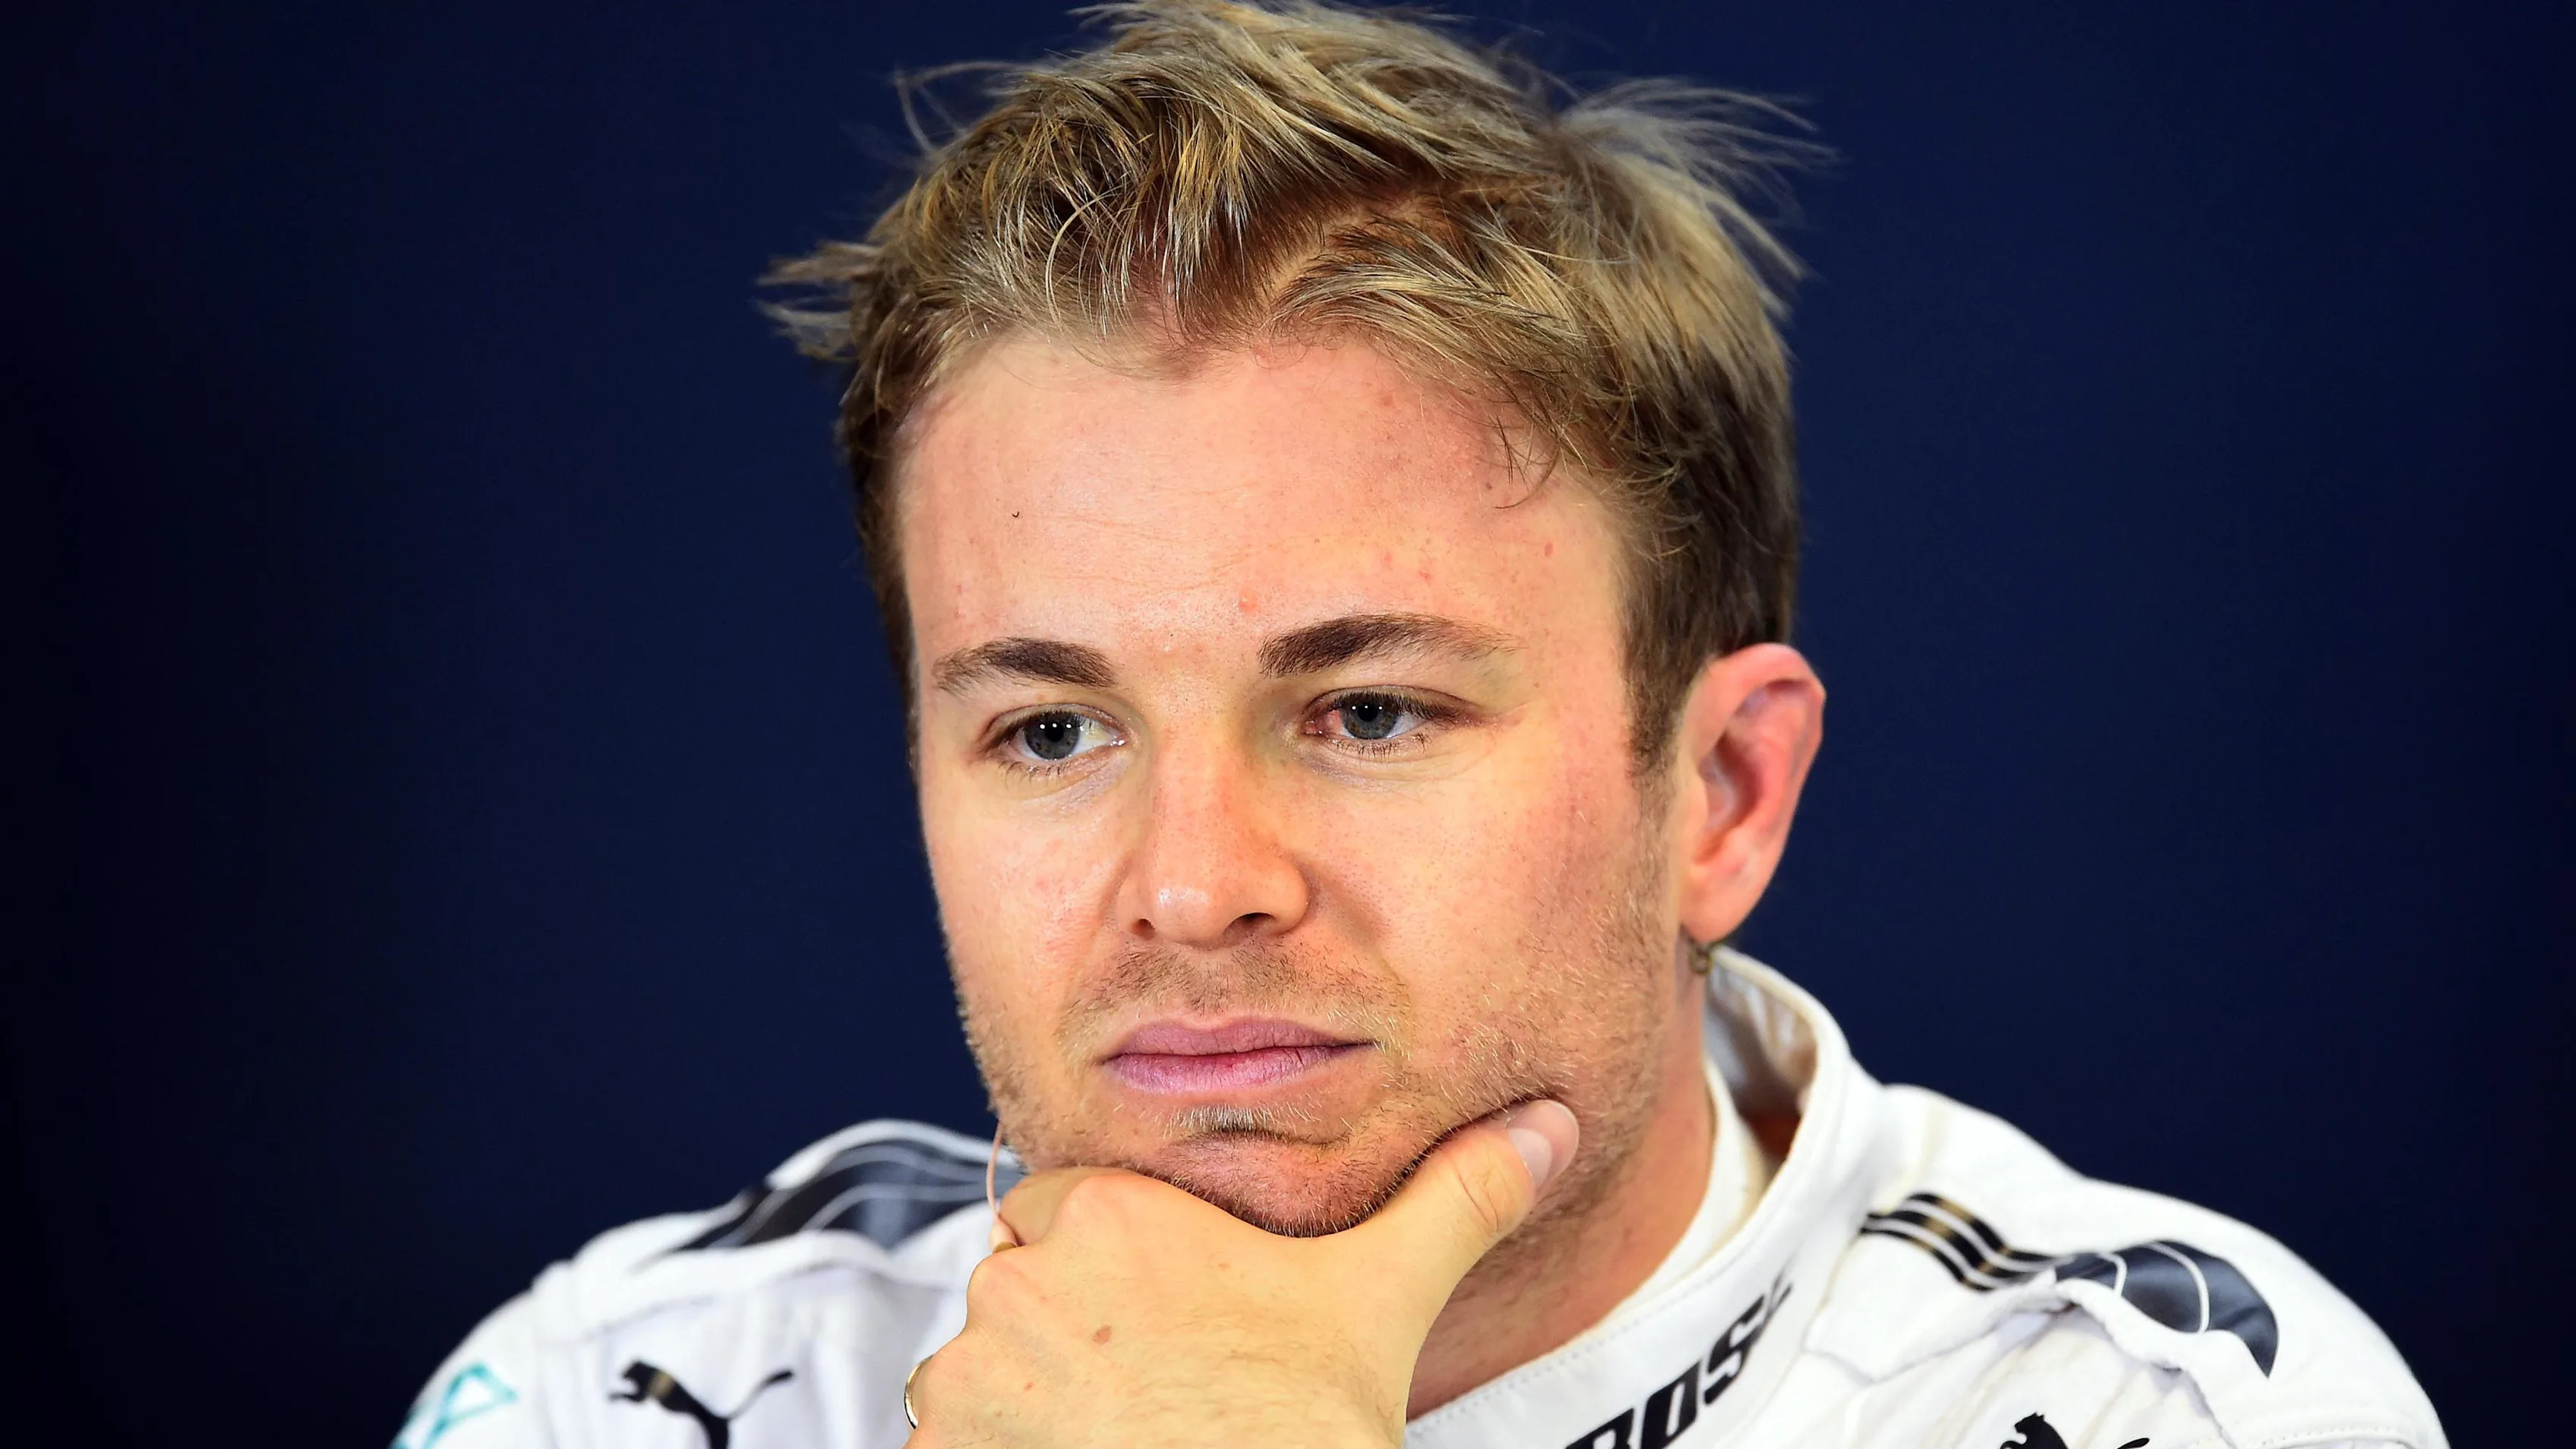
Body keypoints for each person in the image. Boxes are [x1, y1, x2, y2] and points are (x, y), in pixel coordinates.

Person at [396, 4, 2442, 1446]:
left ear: (1720, 793)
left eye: (1366, 707)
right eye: (1049, 731)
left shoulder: (2171, 1408)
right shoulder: (634, 1392)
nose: (1194, 886)